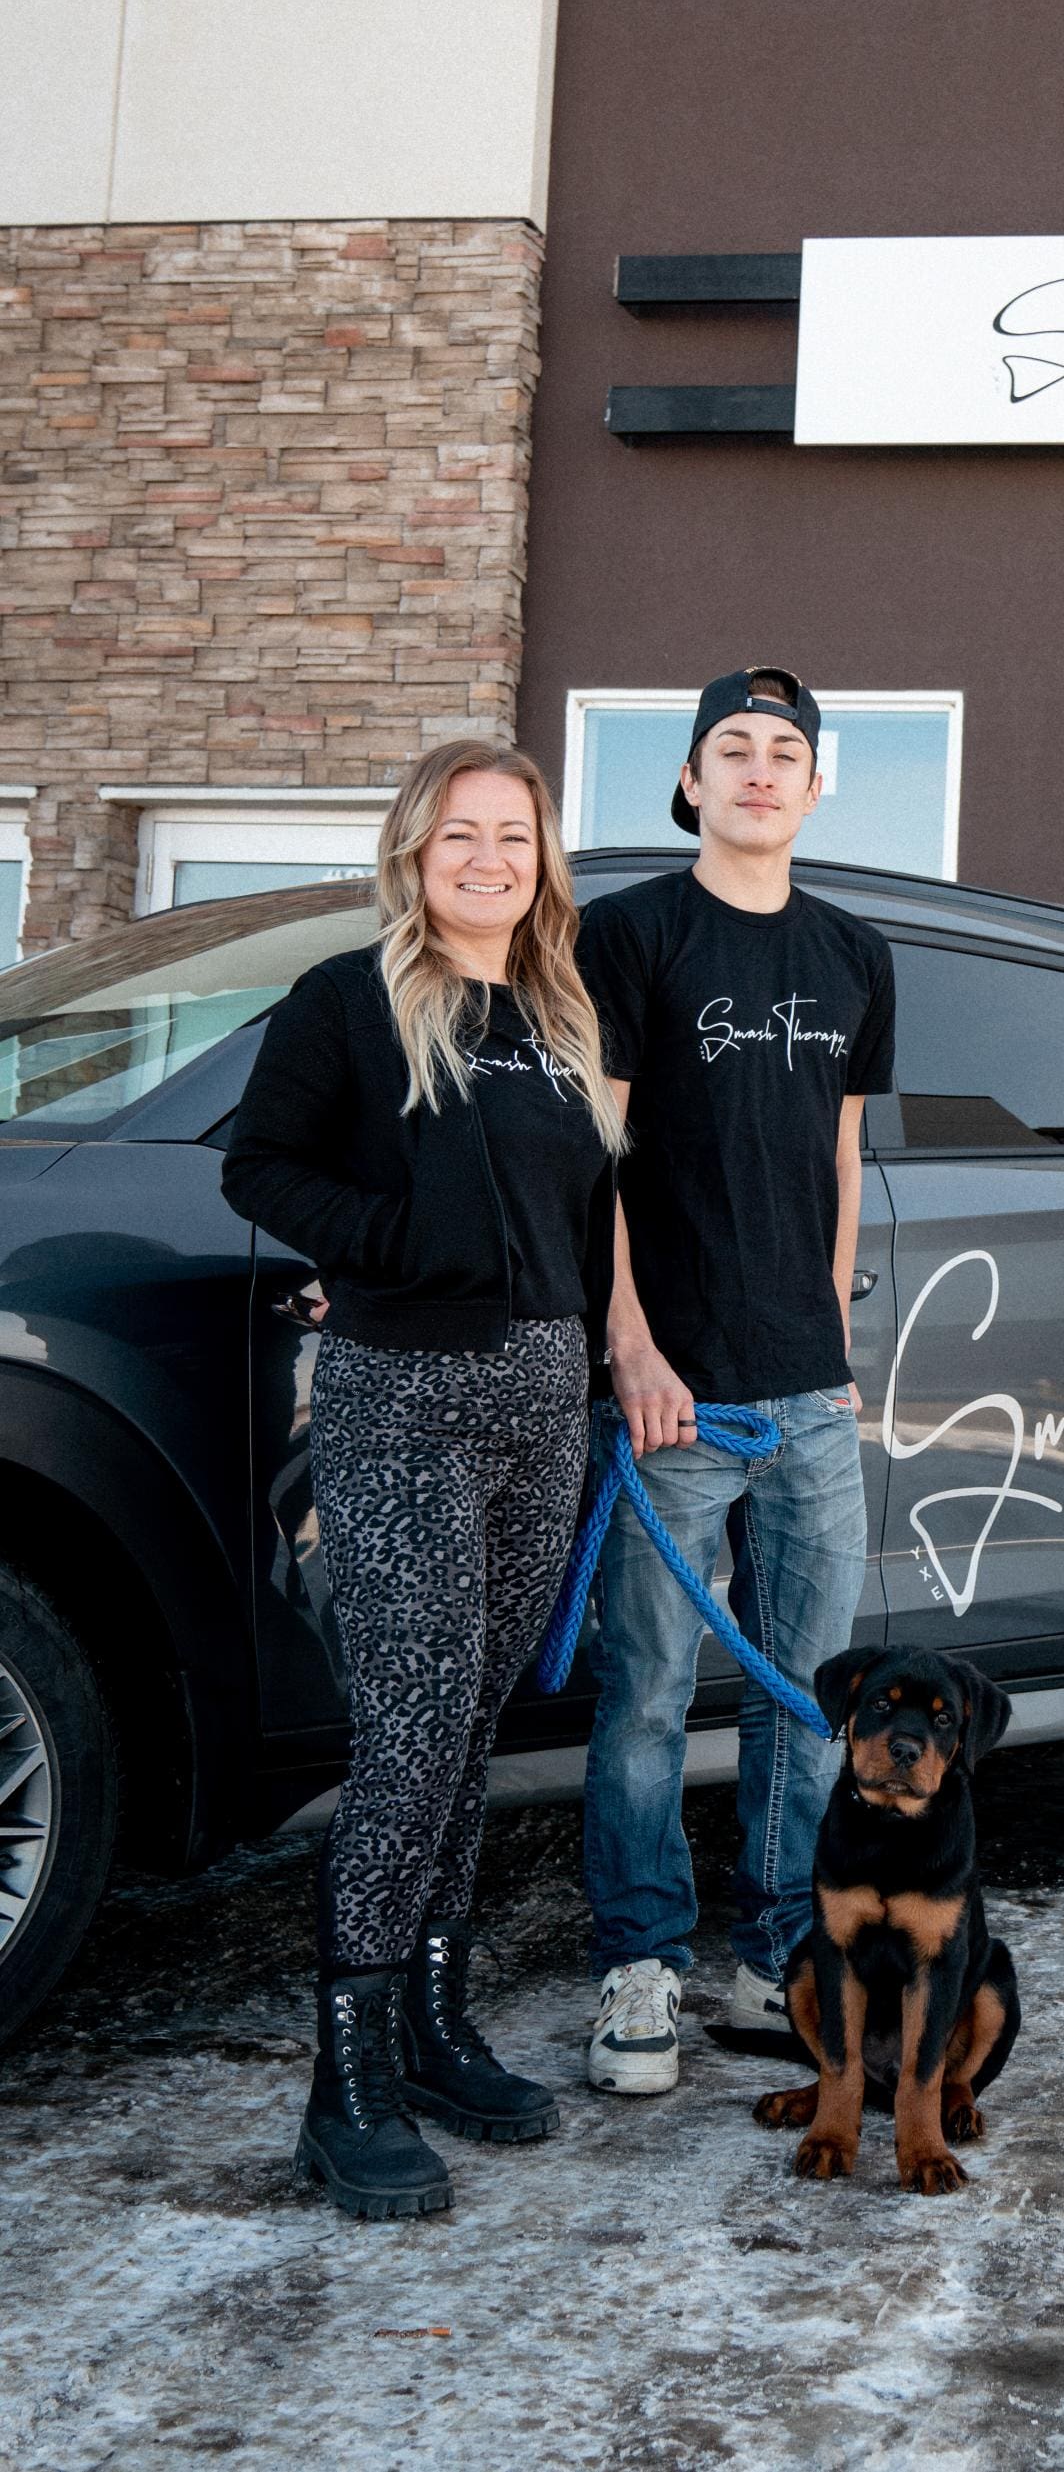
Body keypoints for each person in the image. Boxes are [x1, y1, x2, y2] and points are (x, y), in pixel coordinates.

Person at [223, 740, 623, 2217]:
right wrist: (388, 1249)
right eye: (460, 833)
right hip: (401, 1399)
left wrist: (598, 1350)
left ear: (540, 859)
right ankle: (345, 2082)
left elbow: (590, 1210)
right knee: (404, 1738)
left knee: (470, 1730)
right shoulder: (347, 1000)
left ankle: (436, 2024)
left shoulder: (558, 1011)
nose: (487, 858)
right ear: (416, 849)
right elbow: (259, 1168)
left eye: (512, 835)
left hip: (538, 1404)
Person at [573, 665, 895, 2095]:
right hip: (673, 1392)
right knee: (645, 1690)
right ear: (690, 782)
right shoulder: (629, 934)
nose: (760, 770)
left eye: (786, 751)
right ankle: (637, 1966)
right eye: (733, 748)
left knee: (804, 1693)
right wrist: (630, 1348)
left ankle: (780, 1950)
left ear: (814, 785)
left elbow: (837, 1155)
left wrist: (828, 1329)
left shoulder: (853, 953)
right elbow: (593, 1160)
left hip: (808, 1390)